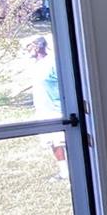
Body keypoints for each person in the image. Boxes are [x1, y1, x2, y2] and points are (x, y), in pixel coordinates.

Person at [26, 36, 68, 180]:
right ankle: (64, 172)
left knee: (63, 141)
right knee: (52, 143)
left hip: (56, 109)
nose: (27, 50)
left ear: (37, 47)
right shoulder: (35, 66)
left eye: (29, 46)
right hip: (43, 110)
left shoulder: (52, 64)